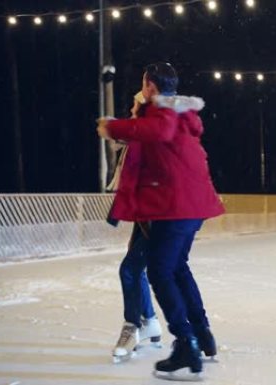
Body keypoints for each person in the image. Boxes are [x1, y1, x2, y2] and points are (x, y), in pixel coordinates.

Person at [97, 62, 225, 380]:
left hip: (173, 205)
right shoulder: (181, 114)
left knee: (157, 270)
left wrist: (114, 127)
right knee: (176, 267)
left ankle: (185, 343)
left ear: (150, 85)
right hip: (191, 205)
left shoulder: (163, 111)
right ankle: (201, 334)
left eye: (145, 84)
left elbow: (158, 131)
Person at [107, 91, 163, 364]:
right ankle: (150, 320)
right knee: (137, 269)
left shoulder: (150, 138)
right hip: (146, 213)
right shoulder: (142, 138)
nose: (130, 109)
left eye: (134, 106)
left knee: (130, 270)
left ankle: (133, 326)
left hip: (157, 215)